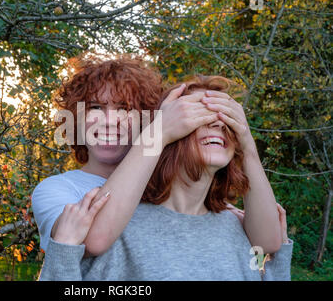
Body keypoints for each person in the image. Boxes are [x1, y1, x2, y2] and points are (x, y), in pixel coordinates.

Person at [38, 75, 293, 281]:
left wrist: (247, 144)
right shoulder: (106, 219)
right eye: (198, 116)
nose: (110, 120)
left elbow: (267, 245)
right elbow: (93, 242)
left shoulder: (235, 224)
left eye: (228, 120)